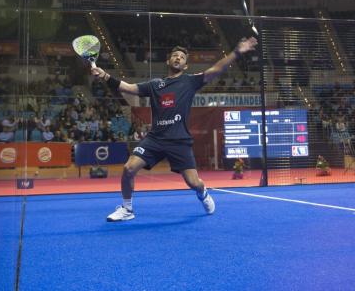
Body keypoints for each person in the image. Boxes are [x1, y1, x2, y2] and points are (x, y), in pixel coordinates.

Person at [91, 37, 258, 221]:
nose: (178, 58)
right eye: (175, 56)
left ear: (185, 65)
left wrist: (236, 52)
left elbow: (216, 69)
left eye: (182, 57)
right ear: (168, 61)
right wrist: (106, 76)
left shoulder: (190, 82)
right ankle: (127, 209)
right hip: (155, 138)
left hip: (179, 140)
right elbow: (129, 88)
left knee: (193, 183)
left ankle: (203, 193)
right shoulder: (155, 85)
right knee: (129, 168)